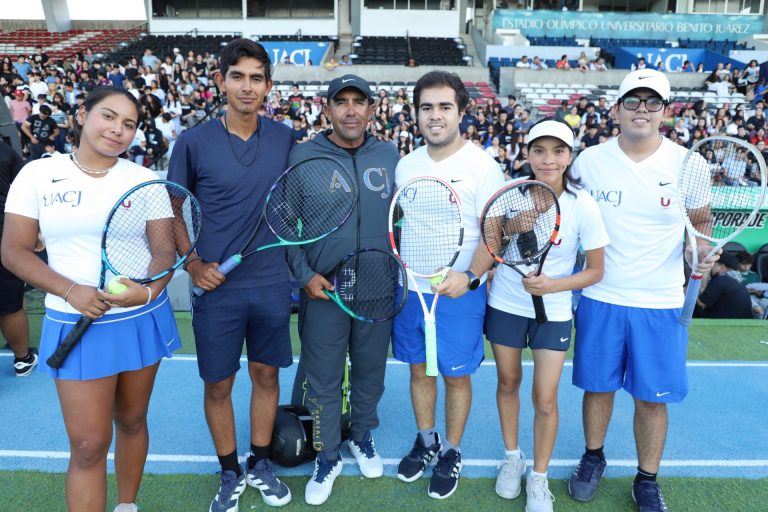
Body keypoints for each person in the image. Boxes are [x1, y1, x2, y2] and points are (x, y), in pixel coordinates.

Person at [2, 86, 181, 512]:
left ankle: (127, 505)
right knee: (87, 444)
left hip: (139, 317)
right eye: (108, 116)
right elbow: (13, 251)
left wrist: (148, 290)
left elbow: (164, 251)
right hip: (73, 320)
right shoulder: (37, 174)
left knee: (132, 421)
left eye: (129, 124)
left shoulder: (144, 180)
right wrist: (70, 291)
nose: (118, 129)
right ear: (82, 114)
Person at [566, 69, 718, 512]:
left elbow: (700, 223)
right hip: (600, 297)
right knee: (598, 388)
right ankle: (593, 457)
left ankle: (646, 479)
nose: (642, 110)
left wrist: (699, 252)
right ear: (617, 109)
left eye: (653, 102)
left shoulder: (689, 164)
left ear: (665, 112)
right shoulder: (588, 161)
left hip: (660, 302)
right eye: (633, 101)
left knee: (652, 400)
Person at [167, 38, 293, 512]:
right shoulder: (192, 142)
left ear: (268, 86)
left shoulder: (285, 138)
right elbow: (172, 208)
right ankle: (229, 470)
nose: (247, 86)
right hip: (215, 289)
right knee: (218, 385)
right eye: (237, 76)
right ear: (220, 81)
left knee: (266, 375)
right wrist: (193, 264)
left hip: (271, 283)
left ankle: (260, 462)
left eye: (257, 78)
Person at [284, 74, 399, 505]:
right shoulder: (303, 155)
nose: (351, 110)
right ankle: (327, 454)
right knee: (323, 380)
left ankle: (362, 436)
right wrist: (304, 275)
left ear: (371, 109)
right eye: (342, 101)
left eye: (359, 101)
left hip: (377, 288)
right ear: (327, 108)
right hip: (324, 290)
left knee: (371, 373)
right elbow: (284, 224)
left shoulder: (389, 155)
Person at [393, 71, 505, 500]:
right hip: (412, 291)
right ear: (416, 113)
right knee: (418, 370)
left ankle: (452, 450)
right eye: (426, 107)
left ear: (461, 112)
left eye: (444, 106)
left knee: (456, 377)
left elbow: (493, 234)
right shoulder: (406, 165)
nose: (435, 116)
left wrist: (470, 277)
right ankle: (426, 440)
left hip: (459, 293)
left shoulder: (483, 166)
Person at [488, 119, 608, 512]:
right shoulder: (509, 194)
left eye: (558, 151)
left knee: (544, 398)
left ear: (569, 157)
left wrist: (553, 285)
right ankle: (512, 458)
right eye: (539, 151)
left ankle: (538, 477)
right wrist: (513, 226)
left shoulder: (582, 204)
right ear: (527, 154)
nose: (548, 160)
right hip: (506, 304)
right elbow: (492, 247)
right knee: (508, 382)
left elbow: (595, 270)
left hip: (552, 310)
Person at [0, 142, 39, 377]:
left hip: (5, 232)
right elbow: (26, 191)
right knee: (10, 304)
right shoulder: (4, 150)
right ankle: (22, 359)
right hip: (4, 232)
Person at [696, 252, 753, 319]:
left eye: (713, 265)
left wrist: (704, 278)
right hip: (743, 322)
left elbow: (702, 303)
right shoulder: (737, 282)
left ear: (721, 266)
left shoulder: (720, 280)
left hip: (724, 323)